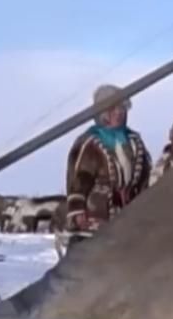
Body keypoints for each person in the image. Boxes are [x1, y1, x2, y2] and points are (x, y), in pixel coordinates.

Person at [58, 85, 152, 251]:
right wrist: (77, 209)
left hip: (128, 216)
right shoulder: (89, 142)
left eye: (122, 108)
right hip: (95, 215)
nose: (119, 113)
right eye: (113, 109)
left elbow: (144, 177)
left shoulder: (134, 141)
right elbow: (81, 177)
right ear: (102, 114)